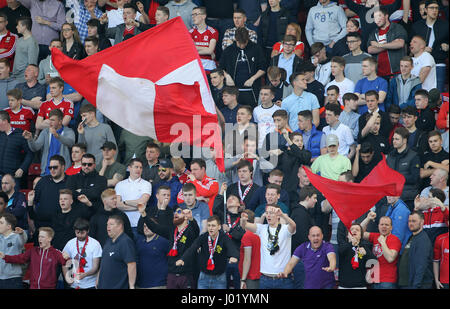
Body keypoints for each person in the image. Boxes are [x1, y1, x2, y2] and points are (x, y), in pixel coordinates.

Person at [175, 215, 239, 289]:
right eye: (209, 225)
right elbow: (192, 248)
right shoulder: (203, 237)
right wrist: (183, 259)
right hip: (203, 277)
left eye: (213, 226)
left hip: (219, 278)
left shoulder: (224, 238)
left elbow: (232, 248)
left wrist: (234, 256)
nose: (211, 228)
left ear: (219, 227)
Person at [241, 205, 296, 289]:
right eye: (267, 213)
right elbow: (245, 225)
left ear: (278, 215)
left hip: (283, 279)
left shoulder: (285, 229)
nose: (268, 215)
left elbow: (293, 226)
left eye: (271, 213)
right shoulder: (261, 228)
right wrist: (243, 220)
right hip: (265, 279)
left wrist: (282, 215)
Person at [0, 226, 67, 289]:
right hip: (33, 287)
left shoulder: (56, 253)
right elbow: (20, 258)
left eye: (42, 237)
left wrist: (67, 257)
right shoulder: (33, 251)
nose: (39, 239)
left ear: (49, 239)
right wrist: (5, 257)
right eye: (39, 236)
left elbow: (67, 263)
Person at [219, 27, 266, 108]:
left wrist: (253, 78)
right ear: (235, 39)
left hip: (251, 91)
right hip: (233, 91)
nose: (242, 45)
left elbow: (263, 67)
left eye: (244, 43)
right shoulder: (229, 50)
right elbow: (221, 67)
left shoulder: (256, 48)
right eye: (239, 43)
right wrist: (227, 76)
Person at [26, 155, 67, 244]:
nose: (52, 170)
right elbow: (33, 202)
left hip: (61, 227)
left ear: (63, 167)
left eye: (55, 167)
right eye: (50, 167)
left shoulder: (70, 182)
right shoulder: (43, 181)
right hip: (41, 226)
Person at [411, 0, 449, 93]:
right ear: (426, 10)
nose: (435, 10)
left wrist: (448, 46)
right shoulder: (417, 26)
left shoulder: (445, 26)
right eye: (432, 8)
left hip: (439, 62)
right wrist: (423, 49)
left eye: (436, 8)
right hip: (421, 62)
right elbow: (411, 45)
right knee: (420, 90)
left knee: (437, 92)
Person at [23, 108, 75, 176]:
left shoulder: (68, 131)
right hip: (47, 171)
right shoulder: (45, 131)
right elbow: (35, 147)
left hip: (63, 172)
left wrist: (57, 136)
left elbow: (71, 143)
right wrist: (30, 139)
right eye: (49, 120)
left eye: (53, 120)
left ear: (60, 121)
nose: (50, 122)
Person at [361, 214, 402, 289]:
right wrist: (368, 219)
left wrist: (383, 242)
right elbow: (360, 233)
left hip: (387, 281)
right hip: (374, 279)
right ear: (378, 226)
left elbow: (390, 258)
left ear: (391, 228)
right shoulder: (375, 236)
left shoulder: (395, 239)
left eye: (387, 225)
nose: (384, 226)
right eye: (382, 224)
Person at [289, 186, 317, 288]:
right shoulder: (300, 214)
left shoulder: (301, 212)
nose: (316, 201)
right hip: (302, 259)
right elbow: (302, 238)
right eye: (314, 198)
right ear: (307, 198)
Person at [97, 215, 137, 289]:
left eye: (111, 224)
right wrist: (98, 279)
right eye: (107, 225)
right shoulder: (108, 241)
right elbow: (103, 262)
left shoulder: (125, 241)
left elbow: (131, 264)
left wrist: (131, 285)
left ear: (120, 226)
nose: (108, 227)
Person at [115, 158, 152, 238]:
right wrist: (137, 206)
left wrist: (125, 202)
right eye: (136, 167)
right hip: (123, 224)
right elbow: (117, 205)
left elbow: (142, 202)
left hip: (138, 224)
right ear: (129, 168)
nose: (139, 169)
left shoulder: (146, 184)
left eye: (141, 167)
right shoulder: (120, 184)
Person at [61, 218, 102, 289]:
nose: (79, 235)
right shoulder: (70, 243)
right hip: (74, 284)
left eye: (82, 233)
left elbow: (96, 267)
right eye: (77, 232)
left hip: (90, 284)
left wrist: (84, 275)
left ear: (88, 231)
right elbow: (64, 262)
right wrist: (67, 278)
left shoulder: (95, 244)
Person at [367, 8, 407, 79]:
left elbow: (400, 44)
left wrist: (379, 45)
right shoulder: (374, 32)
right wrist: (391, 44)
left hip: (396, 73)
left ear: (386, 16)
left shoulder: (397, 28)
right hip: (379, 74)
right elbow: (370, 49)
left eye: (379, 16)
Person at [397, 211, 434, 289]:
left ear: (422, 222)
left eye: (414, 221)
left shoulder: (423, 240)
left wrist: (416, 285)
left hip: (415, 285)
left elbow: (421, 265)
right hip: (405, 284)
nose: (411, 223)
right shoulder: (412, 237)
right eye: (409, 221)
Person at [134, 214, 170, 289]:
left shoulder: (163, 241)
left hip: (158, 284)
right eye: (144, 226)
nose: (146, 228)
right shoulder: (139, 242)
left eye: (149, 225)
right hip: (140, 285)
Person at [337, 223, 374, 289]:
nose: (354, 231)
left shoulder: (364, 247)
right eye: (352, 229)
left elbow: (374, 263)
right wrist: (351, 244)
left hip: (360, 286)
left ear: (360, 235)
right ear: (348, 235)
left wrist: (367, 254)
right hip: (344, 286)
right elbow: (340, 252)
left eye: (357, 230)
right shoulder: (343, 246)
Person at [0, 110, 33, 180]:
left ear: (5, 121)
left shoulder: (20, 135)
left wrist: (22, 168)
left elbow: (30, 153)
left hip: (13, 177)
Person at [0, 213, 27, 289]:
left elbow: (23, 240)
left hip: (13, 279)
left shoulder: (16, 237)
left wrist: (22, 233)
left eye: (1, 223)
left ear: (9, 226)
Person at [189, 6, 218, 72]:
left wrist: (196, 48)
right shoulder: (190, 32)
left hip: (209, 64)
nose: (193, 17)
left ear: (203, 16)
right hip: (195, 64)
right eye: (192, 15)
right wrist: (207, 49)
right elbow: (191, 50)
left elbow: (210, 50)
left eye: (196, 14)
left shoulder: (213, 31)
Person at [12, 16, 38, 83]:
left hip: (24, 78)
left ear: (25, 26)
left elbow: (32, 63)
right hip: (14, 75)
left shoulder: (32, 42)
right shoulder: (19, 40)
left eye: (18, 25)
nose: (16, 27)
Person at [238, 209, 261, 289]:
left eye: (241, 218)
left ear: (245, 218)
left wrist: (243, 280)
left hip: (250, 276)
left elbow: (247, 259)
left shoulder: (247, 236)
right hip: (259, 274)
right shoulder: (258, 234)